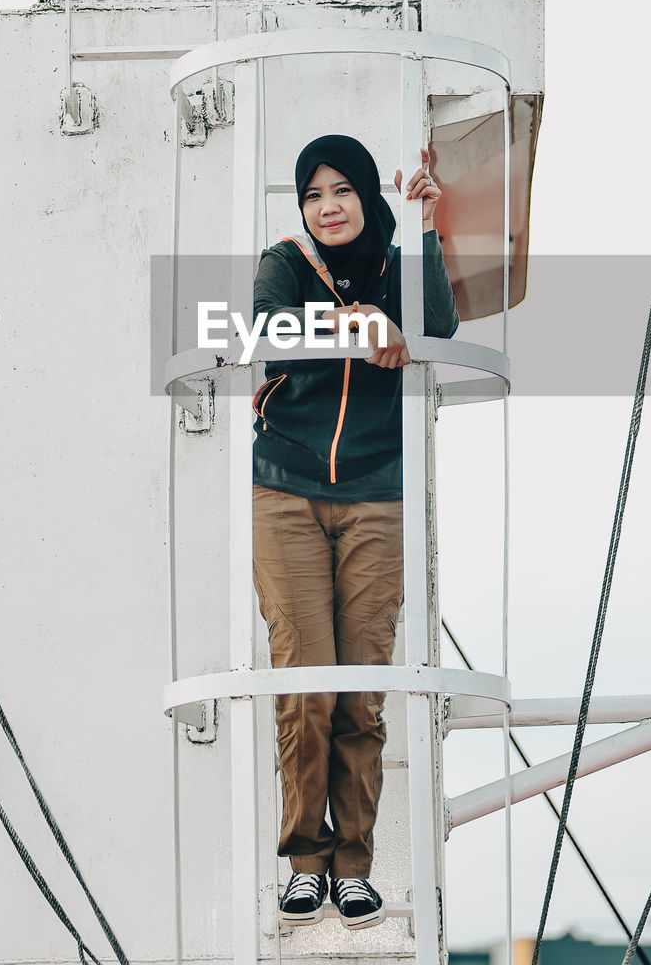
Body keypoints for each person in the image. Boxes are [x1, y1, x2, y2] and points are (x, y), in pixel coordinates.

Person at [251, 134, 458, 932]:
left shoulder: (398, 261)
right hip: (287, 489)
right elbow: (268, 332)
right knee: (305, 685)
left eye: (343, 190)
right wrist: (362, 322)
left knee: (362, 690)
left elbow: (435, 323)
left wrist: (429, 230)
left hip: (378, 492)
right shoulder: (285, 260)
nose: (328, 206)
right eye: (314, 193)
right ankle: (305, 862)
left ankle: (354, 865)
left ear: (369, 195)